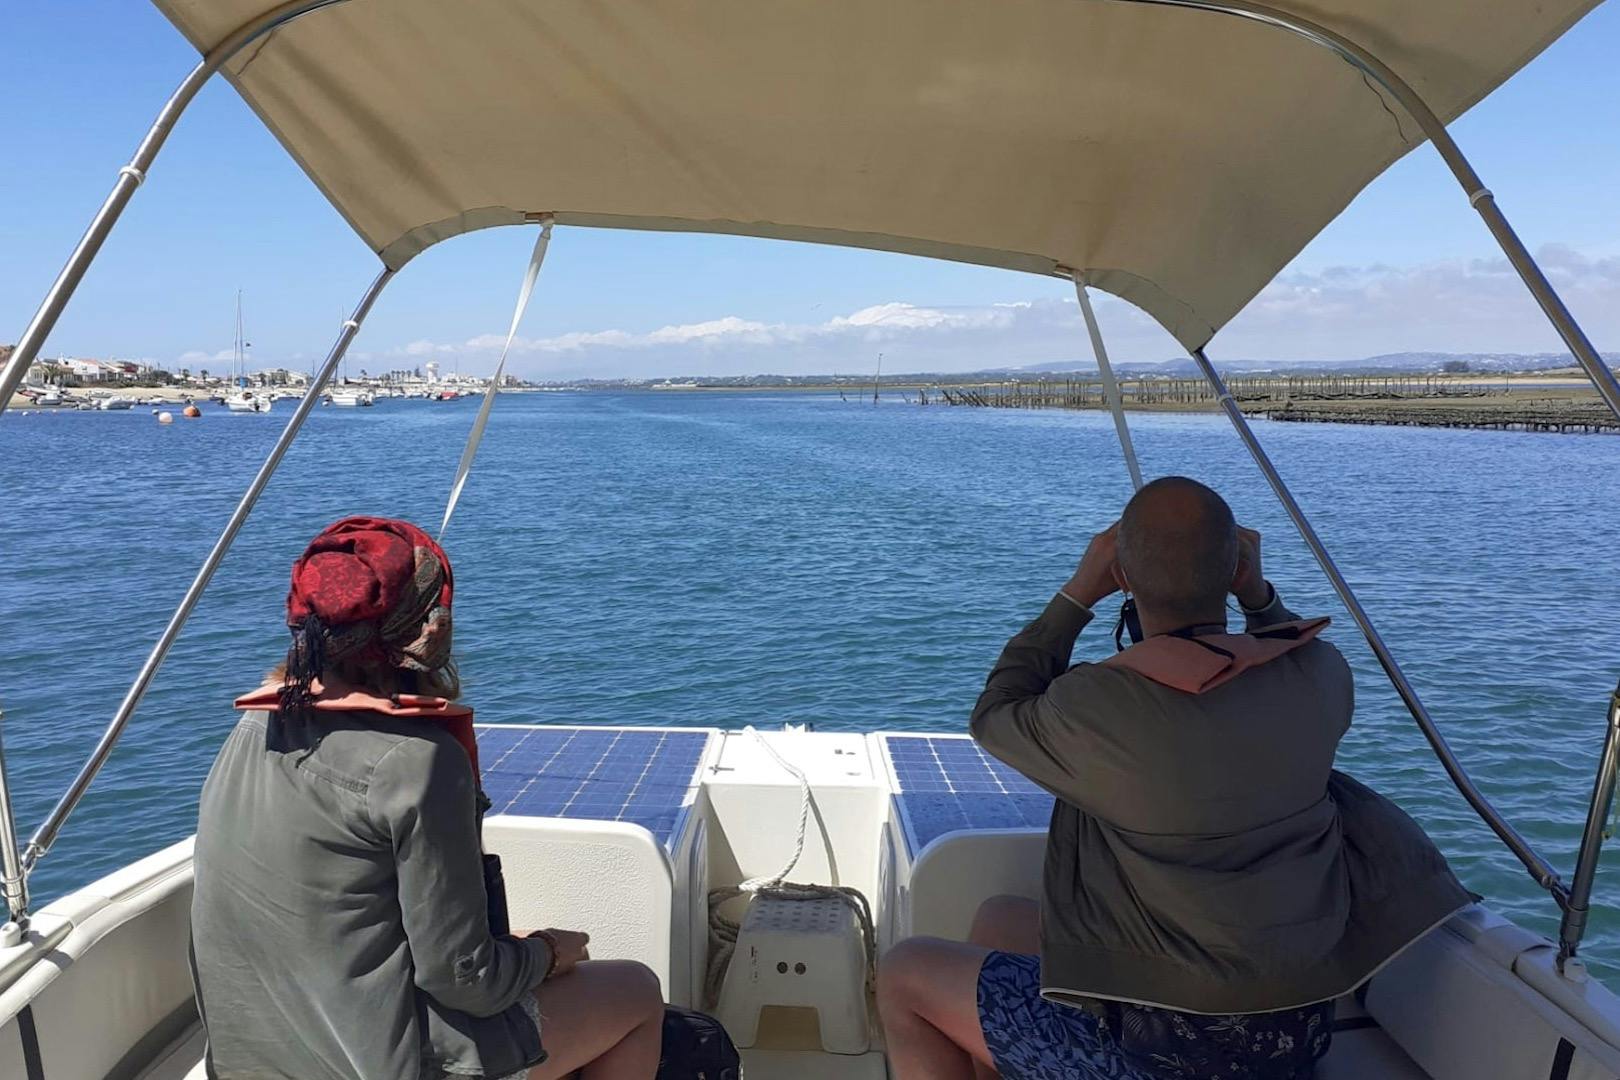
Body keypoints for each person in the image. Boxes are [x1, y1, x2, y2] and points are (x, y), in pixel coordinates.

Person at [878, 477, 1471, 1080]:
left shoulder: (1098, 705)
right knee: (999, 920)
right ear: (1236, 567)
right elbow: (1290, 645)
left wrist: (1080, 593)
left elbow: (997, 711)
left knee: (905, 974)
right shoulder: (1321, 677)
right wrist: (1259, 594)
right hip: (1289, 1033)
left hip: (1160, 1053)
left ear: (1125, 579)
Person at [190, 516, 665, 1080]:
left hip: (250, 1062)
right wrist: (548, 954)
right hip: (382, 1064)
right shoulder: (416, 764)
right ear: (428, 627)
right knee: (637, 990)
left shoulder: (252, 729)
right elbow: (464, 981)